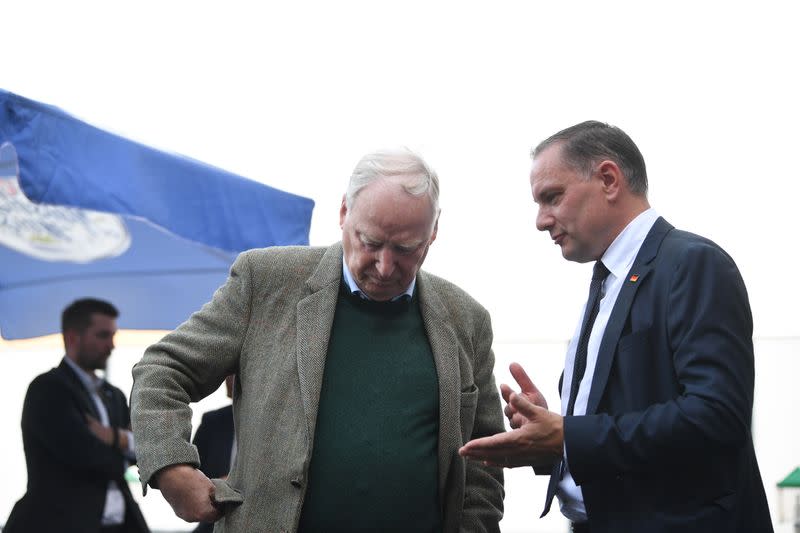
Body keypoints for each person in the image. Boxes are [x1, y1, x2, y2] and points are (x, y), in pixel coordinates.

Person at [130, 148, 505, 532]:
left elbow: (485, 463)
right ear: (344, 212)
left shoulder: (466, 320)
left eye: (406, 249)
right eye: (370, 242)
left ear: (434, 231)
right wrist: (170, 464)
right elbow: (163, 371)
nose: (385, 265)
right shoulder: (267, 281)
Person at [460, 121, 773, 532]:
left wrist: (569, 436)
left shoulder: (693, 263)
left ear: (608, 179)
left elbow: (716, 416)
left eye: (552, 197)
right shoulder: (608, 280)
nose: (540, 220)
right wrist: (549, 439)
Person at [5, 298, 149, 533]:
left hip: (118, 523)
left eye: (113, 336)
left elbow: (145, 448)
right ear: (73, 337)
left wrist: (114, 438)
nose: (111, 345)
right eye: (103, 335)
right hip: (58, 522)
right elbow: (84, 454)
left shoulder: (114, 395)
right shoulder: (47, 389)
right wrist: (126, 446)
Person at [191, 375, 235, 533]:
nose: (228, 380)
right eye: (228, 374)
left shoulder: (275, 426)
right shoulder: (213, 421)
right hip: (216, 519)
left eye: (236, 373)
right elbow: (194, 470)